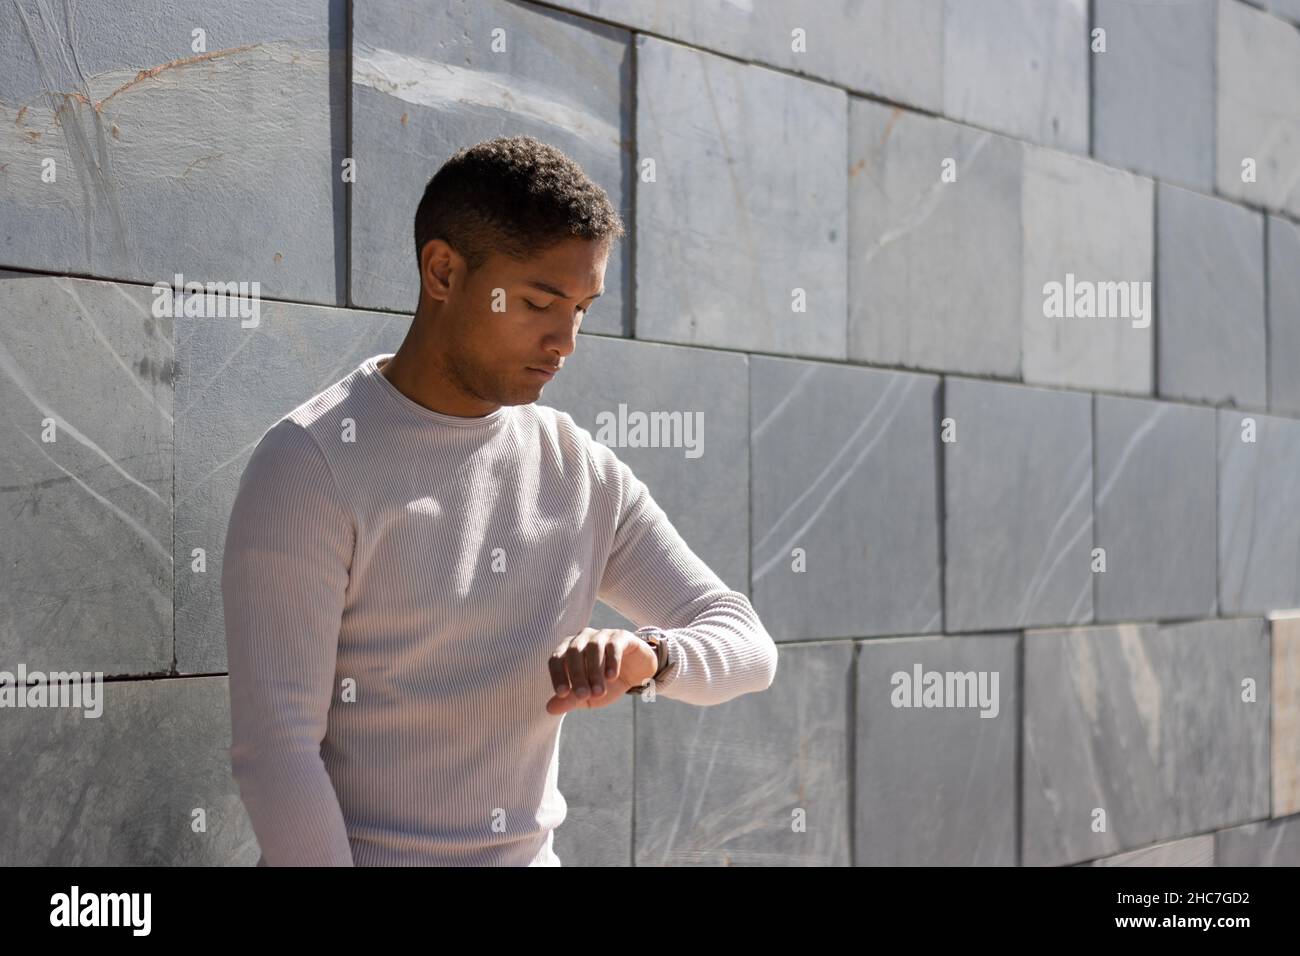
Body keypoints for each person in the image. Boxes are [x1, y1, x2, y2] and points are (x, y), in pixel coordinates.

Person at [222, 135, 778, 866]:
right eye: (540, 302)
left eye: (582, 308)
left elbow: (747, 644)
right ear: (444, 271)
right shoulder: (312, 463)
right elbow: (277, 752)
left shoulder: (577, 469)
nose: (566, 340)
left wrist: (651, 655)